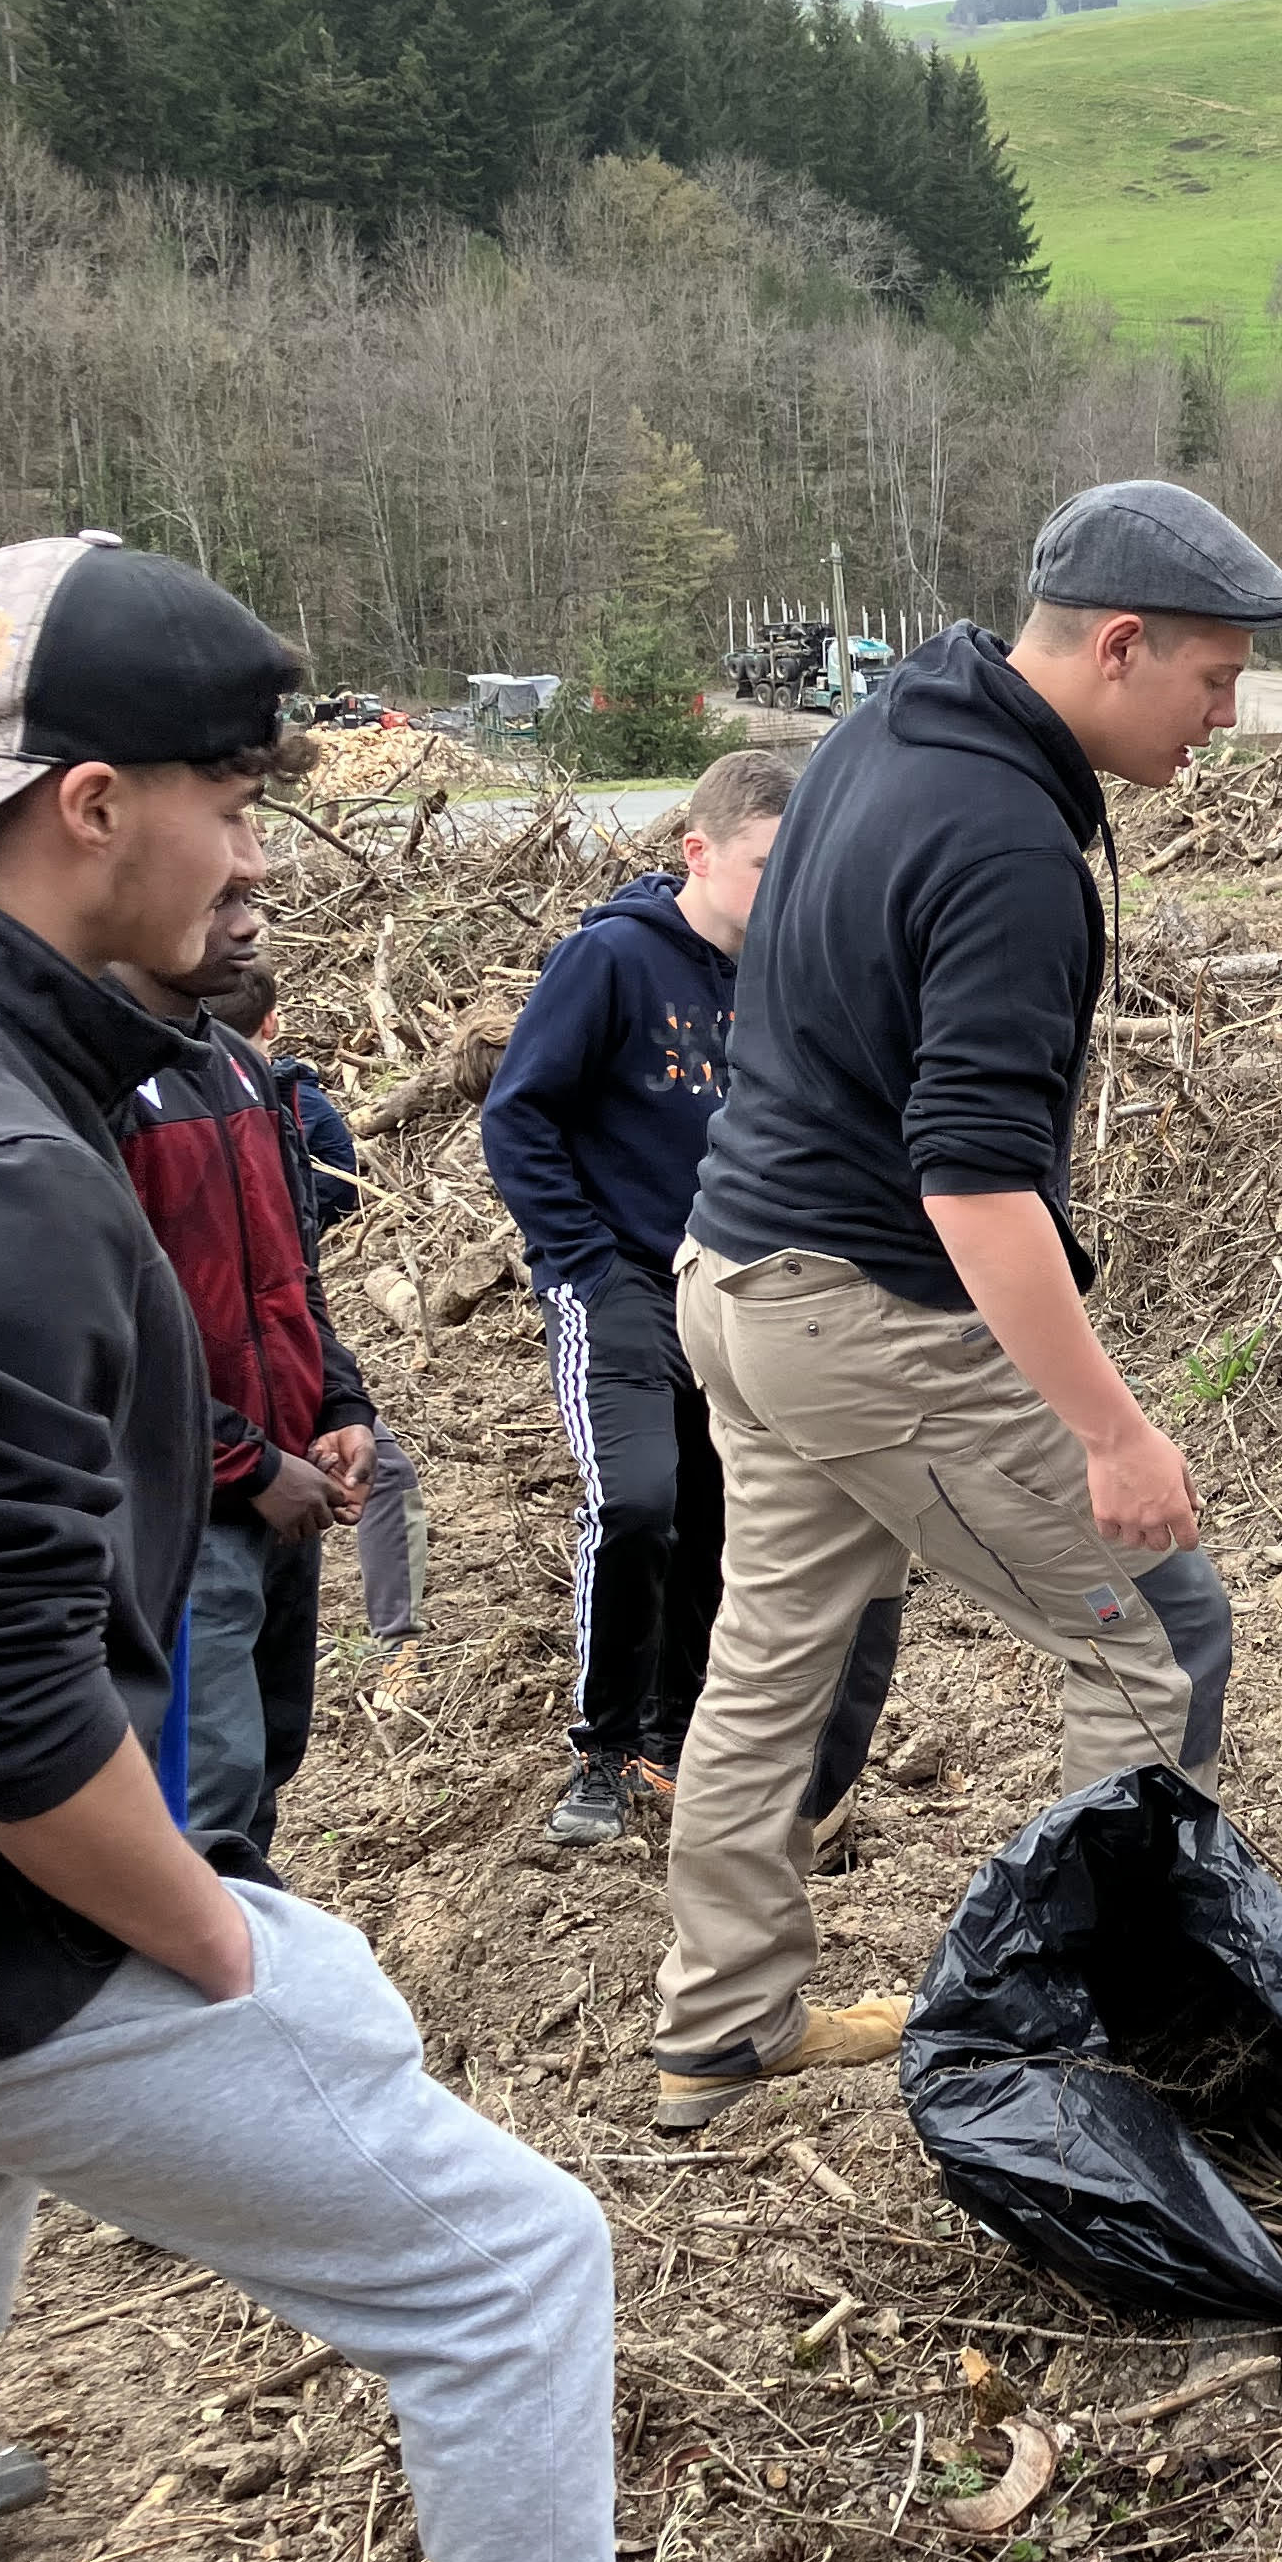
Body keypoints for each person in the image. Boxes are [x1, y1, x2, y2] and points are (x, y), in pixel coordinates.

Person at [0, 513, 884, 2562]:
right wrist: (226, 1933)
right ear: (88, 805)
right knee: (506, 2247)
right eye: (229, 799)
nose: (259, 853)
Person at [648, 479, 1282, 2134]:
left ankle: (718, 2025)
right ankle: (1091, 2032)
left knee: (768, 1659)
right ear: (1118, 641)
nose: (1223, 720)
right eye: (1211, 681)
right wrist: (1113, 1429)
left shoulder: (892, 727)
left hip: (736, 1276)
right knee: (1159, 1631)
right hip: (866, 1309)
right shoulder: (1009, 839)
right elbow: (971, 1182)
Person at [479, 749, 901, 1849]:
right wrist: (580, 1258)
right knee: (639, 1504)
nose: (790, 887)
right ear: (698, 854)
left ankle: (681, 1746)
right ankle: (603, 1749)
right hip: (617, 1281)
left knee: (722, 1523)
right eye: (769, 864)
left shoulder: (789, 978)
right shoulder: (612, 959)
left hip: (738, 1288)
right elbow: (518, 1116)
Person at [109, 874, 374, 1860]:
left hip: (287, 1490)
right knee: (204, 1790)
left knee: (265, 1758)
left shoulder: (248, 1076)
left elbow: (291, 1278)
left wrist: (342, 1403)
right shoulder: (95, 1091)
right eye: (218, 900)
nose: (248, 923)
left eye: (248, 900)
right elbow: (118, 1337)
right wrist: (249, 1466)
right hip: (186, 1513)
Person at [200, 951, 429, 1678]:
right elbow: (338, 1192)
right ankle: (397, 1638)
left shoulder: (273, 1103)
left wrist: (338, 1396)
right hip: (216, 1433)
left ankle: (391, 1639)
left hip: (283, 1367)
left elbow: (293, 1270)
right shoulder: (282, 1100)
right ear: (272, 1020)